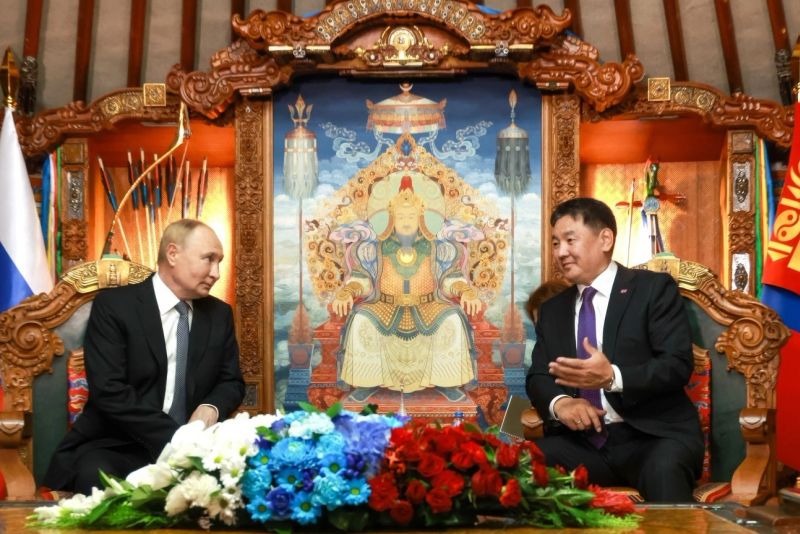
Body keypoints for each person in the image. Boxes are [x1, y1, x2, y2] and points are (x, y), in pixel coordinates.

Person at [44, 220, 245, 494]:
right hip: (118, 444)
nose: (216, 273)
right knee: (94, 476)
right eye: (208, 259)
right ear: (172, 254)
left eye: (219, 262)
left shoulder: (219, 314)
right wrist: (177, 437)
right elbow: (109, 391)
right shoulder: (115, 306)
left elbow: (231, 381)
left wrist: (211, 408)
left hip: (198, 451)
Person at [525, 197, 703, 502]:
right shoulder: (553, 310)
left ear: (605, 239)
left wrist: (612, 377)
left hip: (654, 438)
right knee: (522, 465)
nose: (561, 252)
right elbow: (538, 376)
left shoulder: (652, 289)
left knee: (665, 470)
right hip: (583, 443)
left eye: (570, 240)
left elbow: (676, 365)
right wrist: (561, 403)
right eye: (555, 243)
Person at [333, 175, 479, 402]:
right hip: (384, 305)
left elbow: (449, 278)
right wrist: (346, 292)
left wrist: (465, 290)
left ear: (420, 217)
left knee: (452, 318)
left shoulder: (437, 248)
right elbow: (363, 279)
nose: (406, 221)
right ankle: (366, 382)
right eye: (401, 216)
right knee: (361, 319)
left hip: (429, 305)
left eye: (411, 216)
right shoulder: (375, 248)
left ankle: (447, 382)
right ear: (392, 218)